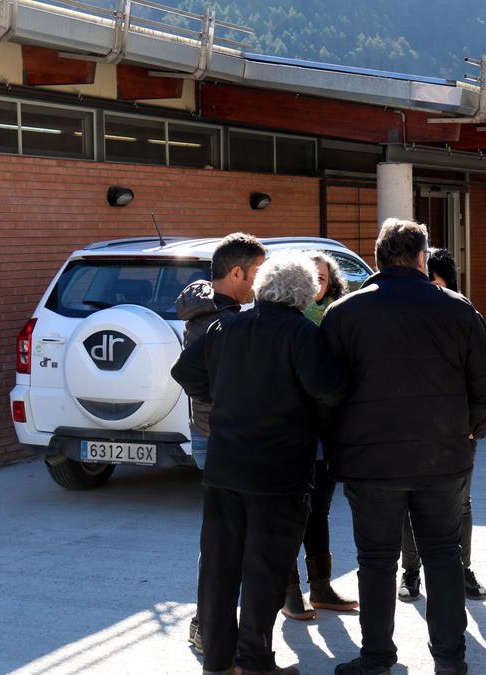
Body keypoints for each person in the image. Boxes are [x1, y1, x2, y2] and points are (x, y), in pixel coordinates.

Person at [321, 219, 486, 675]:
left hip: (369, 461)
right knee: (443, 555)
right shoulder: (460, 310)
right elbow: (483, 388)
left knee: (376, 561)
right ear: (422, 259)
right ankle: (450, 660)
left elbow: (326, 392)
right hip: (444, 458)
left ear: (378, 259)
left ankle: (378, 657)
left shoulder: (343, 313)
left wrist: (339, 443)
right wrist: (470, 431)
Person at [171, 251, 348, 675]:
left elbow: (186, 374)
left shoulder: (225, 327)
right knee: (265, 572)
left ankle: (218, 662)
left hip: (225, 464)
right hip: (279, 471)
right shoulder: (302, 334)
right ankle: (255, 662)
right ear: (305, 293)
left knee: (219, 567)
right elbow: (331, 391)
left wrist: (225, 396)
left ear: (262, 285)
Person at [175, 232, 267, 654]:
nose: (259, 284)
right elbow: (195, 378)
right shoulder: (215, 319)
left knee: (222, 540)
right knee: (223, 544)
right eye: (257, 274)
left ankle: (209, 627)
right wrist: (236, 399)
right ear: (236, 273)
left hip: (213, 434)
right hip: (219, 437)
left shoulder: (210, 304)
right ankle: (208, 628)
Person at [398, 248, 486, 603]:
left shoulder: (464, 315)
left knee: (460, 503)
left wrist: (473, 425)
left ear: (448, 282)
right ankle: (410, 570)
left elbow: (480, 380)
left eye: (434, 282)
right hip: (410, 429)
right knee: (409, 503)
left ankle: (462, 567)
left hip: (455, 431)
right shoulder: (402, 318)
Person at [280, 252, 358, 621]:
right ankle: (290, 589)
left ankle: (322, 586)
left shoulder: (339, 318)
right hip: (295, 433)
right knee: (294, 512)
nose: (316, 283)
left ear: (331, 283)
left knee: (320, 511)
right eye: (310, 276)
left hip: (328, 432)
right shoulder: (289, 324)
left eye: (323, 278)